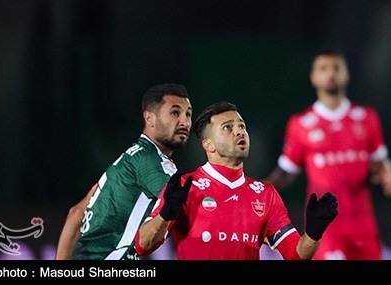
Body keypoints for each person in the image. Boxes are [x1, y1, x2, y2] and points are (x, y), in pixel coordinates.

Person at [135, 100, 338, 260]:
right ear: (208, 145)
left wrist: (313, 233)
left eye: (242, 126)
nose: (239, 131)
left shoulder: (265, 194)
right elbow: (142, 245)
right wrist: (165, 215)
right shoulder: (184, 187)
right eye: (227, 127)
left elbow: (295, 254)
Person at [265, 49, 391, 260]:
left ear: (346, 74)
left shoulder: (367, 118)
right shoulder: (301, 124)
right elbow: (285, 172)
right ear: (313, 77)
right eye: (323, 68)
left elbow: (380, 161)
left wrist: (390, 177)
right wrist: (256, 193)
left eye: (336, 68)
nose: (330, 73)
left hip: (363, 223)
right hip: (326, 226)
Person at [55, 83, 193, 260]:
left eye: (188, 114)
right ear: (149, 118)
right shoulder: (150, 160)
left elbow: (76, 213)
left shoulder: (127, 160)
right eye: (175, 113)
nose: (184, 122)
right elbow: (190, 205)